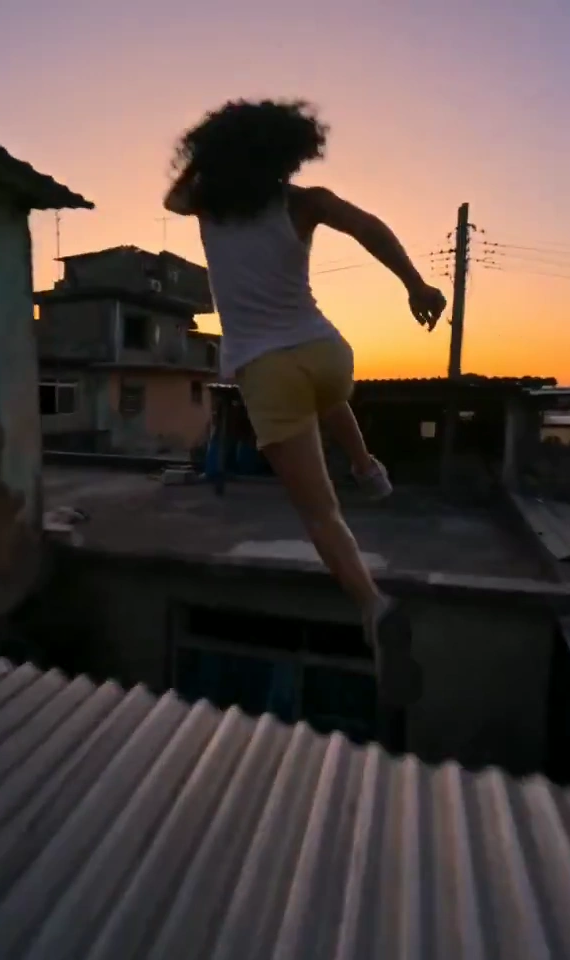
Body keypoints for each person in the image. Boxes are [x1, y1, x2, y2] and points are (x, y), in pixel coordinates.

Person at [163, 98, 446, 681]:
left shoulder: (206, 207)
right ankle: (367, 466)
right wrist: (415, 285)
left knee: (321, 515)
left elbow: (172, 196)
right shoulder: (303, 202)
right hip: (326, 352)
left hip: (264, 371)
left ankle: (373, 607)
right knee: (325, 394)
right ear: (289, 154)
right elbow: (369, 227)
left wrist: (205, 158)